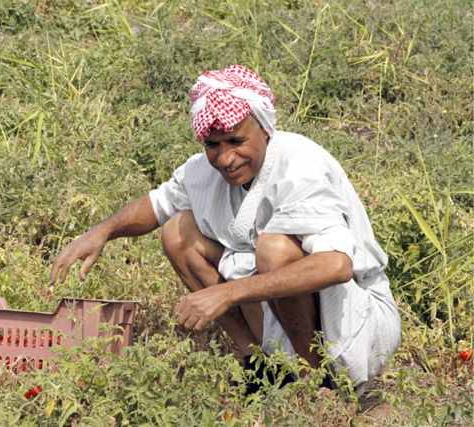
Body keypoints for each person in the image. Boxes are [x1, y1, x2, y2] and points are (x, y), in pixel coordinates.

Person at [49, 65, 400, 393]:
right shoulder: (203, 171)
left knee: (274, 249)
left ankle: (314, 384)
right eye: (213, 145)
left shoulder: (299, 165)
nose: (225, 158)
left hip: (357, 319)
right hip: (283, 305)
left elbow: (336, 265)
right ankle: (260, 366)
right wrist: (102, 232)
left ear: (265, 128)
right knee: (178, 231)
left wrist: (227, 293)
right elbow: (157, 205)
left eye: (236, 141)